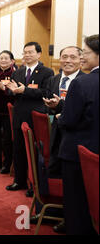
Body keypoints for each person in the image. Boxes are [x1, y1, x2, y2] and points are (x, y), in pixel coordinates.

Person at [57, 34, 98, 235]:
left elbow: (68, 120)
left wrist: (60, 116)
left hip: (78, 152)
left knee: (76, 203)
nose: (83, 58)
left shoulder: (82, 83)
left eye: (86, 53)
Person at [5, 42, 54, 192]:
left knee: (34, 152)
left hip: (36, 116)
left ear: (39, 54)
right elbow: (10, 93)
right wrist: (11, 91)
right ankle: (19, 181)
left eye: (30, 52)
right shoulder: (18, 72)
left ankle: (35, 185)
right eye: (25, 52)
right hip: (19, 115)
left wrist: (24, 90)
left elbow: (46, 93)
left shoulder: (47, 72)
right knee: (18, 149)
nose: (27, 55)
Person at [43, 46, 84, 178]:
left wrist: (61, 106)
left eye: (73, 57)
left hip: (75, 134)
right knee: (53, 164)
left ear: (81, 60)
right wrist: (51, 106)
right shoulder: (53, 80)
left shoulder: (85, 82)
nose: (68, 61)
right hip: (54, 129)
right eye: (64, 57)